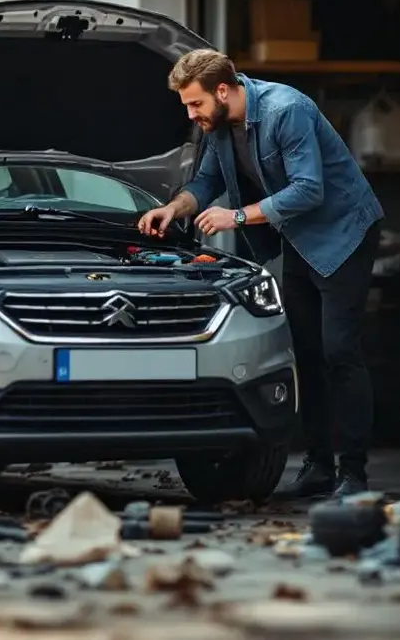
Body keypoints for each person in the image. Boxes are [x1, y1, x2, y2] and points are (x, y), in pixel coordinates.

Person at [138, 49, 384, 498]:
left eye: (196, 104)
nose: (192, 115)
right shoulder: (219, 126)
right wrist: (173, 208)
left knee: (338, 351)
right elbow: (207, 183)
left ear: (224, 91)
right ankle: (319, 467)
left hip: (343, 234)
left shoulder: (286, 110)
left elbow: (309, 189)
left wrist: (236, 217)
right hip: (299, 240)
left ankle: (354, 473)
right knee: (305, 351)